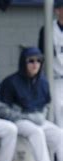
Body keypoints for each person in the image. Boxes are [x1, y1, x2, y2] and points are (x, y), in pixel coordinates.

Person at [0, 47, 63, 161]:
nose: (35, 64)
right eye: (31, 61)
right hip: (17, 121)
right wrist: (25, 116)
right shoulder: (11, 81)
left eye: (38, 61)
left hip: (37, 120)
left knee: (58, 134)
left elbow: (45, 105)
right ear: (23, 63)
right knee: (37, 132)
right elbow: (1, 109)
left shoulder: (43, 82)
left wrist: (40, 116)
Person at [38, 0, 63, 128]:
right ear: (57, 10)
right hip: (56, 79)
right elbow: (41, 55)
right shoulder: (48, 29)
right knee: (58, 113)